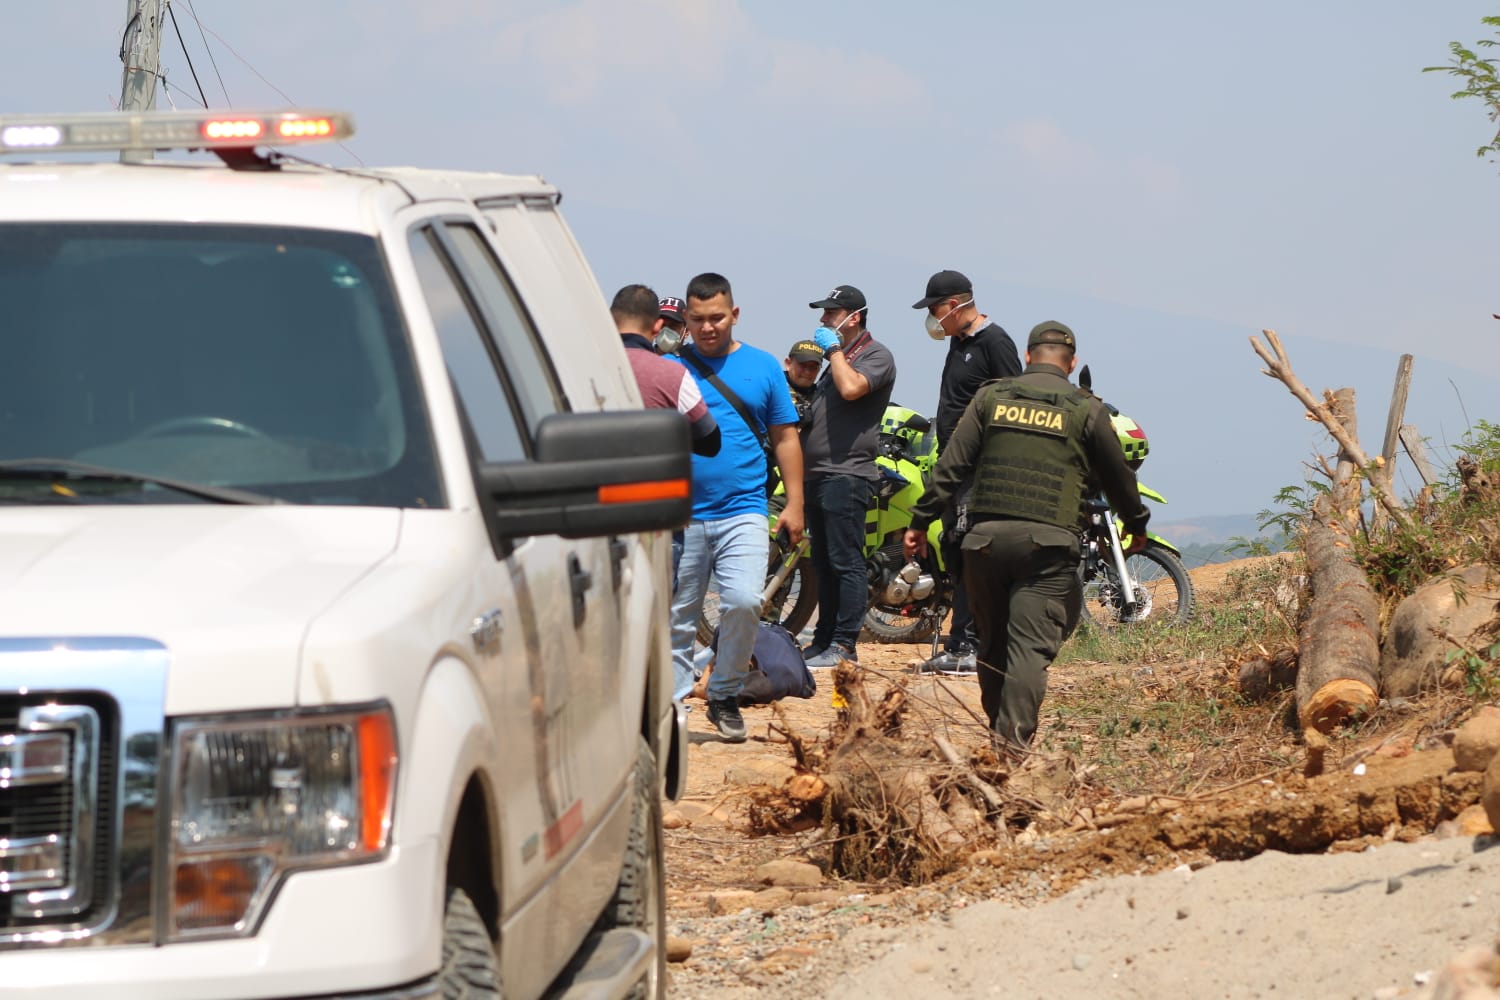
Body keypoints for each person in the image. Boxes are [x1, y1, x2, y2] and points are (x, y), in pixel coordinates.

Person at [903, 321, 1150, 754]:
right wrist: (1136, 523)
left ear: (1028, 356)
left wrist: (920, 522)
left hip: (983, 544)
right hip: (1047, 548)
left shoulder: (990, 397)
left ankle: (998, 736)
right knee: (1028, 651)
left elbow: (950, 466)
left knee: (992, 646)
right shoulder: (1086, 408)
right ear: (1071, 364)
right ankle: (1010, 750)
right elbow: (1119, 477)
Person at [669, 272, 805, 742]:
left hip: (743, 508)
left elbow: (786, 437)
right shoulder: (672, 368)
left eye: (717, 317)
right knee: (678, 615)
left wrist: (795, 503)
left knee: (746, 601)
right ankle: (672, 704)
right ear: (687, 320)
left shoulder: (763, 366)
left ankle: (724, 693)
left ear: (735, 314)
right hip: (682, 513)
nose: (708, 327)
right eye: (699, 319)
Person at [911, 269, 1022, 674]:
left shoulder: (995, 342)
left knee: (972, 552)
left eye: (936, 308)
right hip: (953, 465)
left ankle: (971, 646)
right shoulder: (959, 343)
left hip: (981, 468)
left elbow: (1014, 403)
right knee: (955, 551)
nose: (933, 318)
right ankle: (960, 642)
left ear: (955, 305)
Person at [799, 284, 897, 668]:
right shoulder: (837, 360)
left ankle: (844, 644)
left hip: (847, 474)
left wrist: (835, 352)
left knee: (846, 561)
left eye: (831, 314)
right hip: (818, 473)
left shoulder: (875, 355)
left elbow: (852, 388)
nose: (824, 320)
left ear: (853, 318)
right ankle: (823, 639)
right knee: (823, 563)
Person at [611, 284, 720, 456]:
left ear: (686, 330)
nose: (666, 331)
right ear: (656, 326)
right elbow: (709, 440)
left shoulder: (692, 367)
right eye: (664, 325)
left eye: (674, 326)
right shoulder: (673, 373)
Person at [782, 339, 823, 425]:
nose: (807, 372)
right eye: (802, 365)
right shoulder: (774, 391)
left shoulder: (821, 397)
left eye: (813, 367)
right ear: (788, 363)